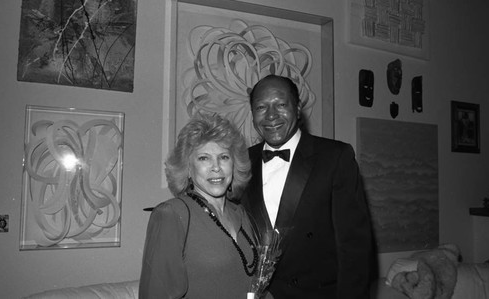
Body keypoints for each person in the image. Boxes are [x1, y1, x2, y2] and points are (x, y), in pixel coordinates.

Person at [241, 74, 375, 298]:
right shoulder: (242, 161)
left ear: (298, 108)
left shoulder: (335, 157)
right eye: (261, 107)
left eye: (281, 105)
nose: (271, 115)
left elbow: (355, 249)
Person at [139, 113, 258, 298]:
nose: (216, 167)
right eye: (204, 158)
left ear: (234, 164)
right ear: (187, 167)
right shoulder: (171, 214)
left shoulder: (240, 214)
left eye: (224, 157)